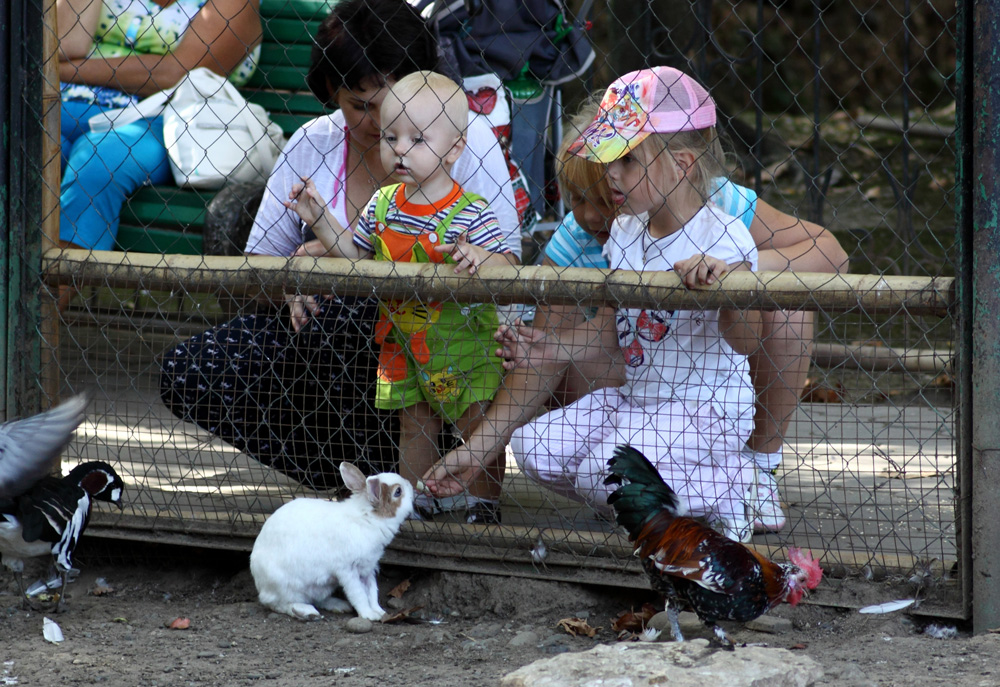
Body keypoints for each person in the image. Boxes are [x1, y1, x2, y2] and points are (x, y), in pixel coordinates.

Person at [422, 95, 849, 534]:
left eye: (606, 196)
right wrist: (536, 356)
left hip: (709, 390)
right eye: (577, 198)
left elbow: (829, 256)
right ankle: (637, 487)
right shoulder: (608, 234)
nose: (591, 215)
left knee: (787, 300)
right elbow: (587, 340)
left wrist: (737, 274)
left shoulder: (715, 211)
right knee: (539, 444)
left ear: (671, 170)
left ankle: (751, 472)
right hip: (637, 379)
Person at [159, 0, 519, 513]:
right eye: (359, 105)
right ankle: (355, 476)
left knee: (350, 310)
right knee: (188, 368)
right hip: (338, 363)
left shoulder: (468, 142)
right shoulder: (314, 143)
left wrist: (455, 264)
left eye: (391, 105)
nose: (378, 126)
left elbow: (506, 268)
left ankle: (460, 489)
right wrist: (296, 274)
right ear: (333, 93)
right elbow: (254, 268)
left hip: (447, 351)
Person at [491, 66, 763, 540]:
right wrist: (547, 347)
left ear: (681, 164)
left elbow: (746, 341)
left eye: (628, 160)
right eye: (609, 157)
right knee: (534, 446)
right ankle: (655, 509)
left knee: (604, 471)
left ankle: (730, 488)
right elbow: (616, 331)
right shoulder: (626, 229)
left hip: (708, 411)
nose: (610, 172)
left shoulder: (723, 237)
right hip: (639, 399)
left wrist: (727, 289)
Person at [284, 70, 513, 522]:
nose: (400, 149)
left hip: (462, 345)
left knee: (475, 421)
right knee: (415, 423)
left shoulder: (470, 212)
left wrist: (479, 257)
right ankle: (413, 502)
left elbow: (507, 264)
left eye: (417, 139)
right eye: (391, 137)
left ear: (455, 148)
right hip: (404, 345)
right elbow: (355, 254)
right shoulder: (383, 204)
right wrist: (319, 219)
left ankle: (483, 503)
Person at [56, 0, 263, 254]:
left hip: (167, 118)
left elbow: (177, 74)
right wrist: (60, 65)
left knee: (98, 163)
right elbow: (58, 47)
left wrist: (67, 70)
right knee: (33, 147)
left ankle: (50, 291)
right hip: (64, 103)